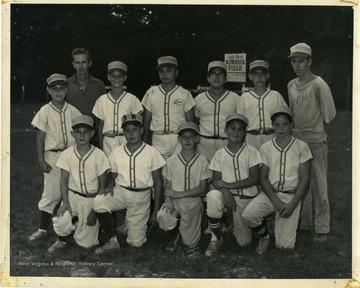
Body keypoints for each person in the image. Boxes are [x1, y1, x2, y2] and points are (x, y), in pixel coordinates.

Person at [242, 105, 313, 254]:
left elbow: (305, 178)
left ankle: (280, 225)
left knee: (284, 247)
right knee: (249, 215)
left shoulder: (302, 147)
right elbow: (262, 177)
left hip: (291, 197)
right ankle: (264, 236)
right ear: (272, 125)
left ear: (292, 125)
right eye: (277, 125)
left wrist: (293, 204)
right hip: (271, 194)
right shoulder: (266, 147)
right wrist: (276, 201)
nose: (281, 129)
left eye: (285, 124)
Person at [93, 114, 166, 253]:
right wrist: (109, 185)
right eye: (127, 130)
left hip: (141, 196)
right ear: (123, 133)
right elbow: (112, 175)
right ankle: (112, 240)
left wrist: (156, 210)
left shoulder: (152, 152)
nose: (131, 133)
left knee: (135, 243)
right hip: (121, 191)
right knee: (99, 202)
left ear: (142, 131)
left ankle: (129, 225)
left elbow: (158, 182)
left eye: (135, 129)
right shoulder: (117, 152)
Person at [287, 43, 336, 242]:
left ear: (309, 62)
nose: (297, 65)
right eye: (294, 61)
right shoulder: (291, 85)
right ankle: (304, 224)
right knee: (300, 185)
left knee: (319, 186)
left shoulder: (319, 84)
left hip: (315, 141)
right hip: (298, 142)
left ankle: (322, 228)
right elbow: (291, 114)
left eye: (301, 61)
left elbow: (330, 115)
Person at [29, 74, 82, 241]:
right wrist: (41, 160)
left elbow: (82, 133)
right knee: (51, 193)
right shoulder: (44, 111)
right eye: (54, 88)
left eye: (61, 88)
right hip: (52, 156)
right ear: (49, 90)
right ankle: (43, 229)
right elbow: (40, 137)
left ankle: (73, 224)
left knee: (74, 189)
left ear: (67, 90)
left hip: (71, 155)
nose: (58, 91)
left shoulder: (73, 111)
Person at [47, 115, 110, 253]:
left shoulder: (99, 155)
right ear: (72, 134)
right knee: (60, 221)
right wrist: (65, 202)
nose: (82, 135)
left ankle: (80, 222)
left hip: (91, 199)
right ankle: (61, 240)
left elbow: (102, 186)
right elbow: (63, 179)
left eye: (86, 132)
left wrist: (94, 212)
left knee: (87, 244)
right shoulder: (67, 154)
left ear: (92, 134)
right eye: (78, 132)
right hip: (73, 197)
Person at [204, 113, 262, 257]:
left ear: (244, 133)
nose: (236, 132)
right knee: (212, 196)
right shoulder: (219, 154)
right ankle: (217, 237)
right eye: (232, 128)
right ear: (226, 130)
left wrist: (229, 186)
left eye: (240, 129)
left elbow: (254, 178)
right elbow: (216, 180)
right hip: (227, 196)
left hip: (246, 198)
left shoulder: (251, 151)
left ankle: (234, 225)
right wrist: (226, 192)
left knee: (244, 242)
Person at [158, 122, 212, 257]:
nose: (187, 140)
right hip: (175, 202)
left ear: (197, 139)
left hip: (193, 202)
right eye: (184, 137)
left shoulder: (203, 161)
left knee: (190, 244)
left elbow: (202, 189)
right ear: (179, 140)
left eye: (191, 136)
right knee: (163, 215)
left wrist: (179, 193)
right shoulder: (171, 161)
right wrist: (167, 199)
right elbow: (168, 185)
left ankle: (189, 230)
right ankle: (175, 236)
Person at [142, 56, 195, 160]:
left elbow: (191, 122)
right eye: (161, 71)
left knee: (179, 169)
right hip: (158, 137)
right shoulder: (151, 92)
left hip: (179, 137)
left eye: (169, 70)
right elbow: (147, 121)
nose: (165, 74)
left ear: (176, 72)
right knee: (159, 171)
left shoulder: (184, 94)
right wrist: (145, 141)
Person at [92, 61, 143, 156]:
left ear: (125, 78)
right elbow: (100, 127)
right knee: (110, 169)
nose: (116, 79)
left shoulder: (132, 99)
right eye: (113, 75)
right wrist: (101, 149)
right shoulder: (102, 100)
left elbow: (137, 125)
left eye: (120, 76)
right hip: (108, 140)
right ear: (108, 77)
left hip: (126, 139)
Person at [194, 60, 242, 162]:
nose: (217, 77)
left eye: (220, 74)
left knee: (226, 175)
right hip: (204, 144)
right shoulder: (199, 98)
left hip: (227, 143)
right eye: (213, 74)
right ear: (208, 78)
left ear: (225, 79)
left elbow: (240, 124)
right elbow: (195, 122)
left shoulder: (235, 98)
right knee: (204, 175)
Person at [237, 60, 287, 150]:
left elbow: (286, 118)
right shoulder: (244, 97)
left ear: (267, 76)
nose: (259, 77)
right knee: (252, 163)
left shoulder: (275, 95)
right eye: (255, 74)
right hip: (251, 137)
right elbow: (240, 122)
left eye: (262, 73)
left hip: (271, 135)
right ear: (250, 76)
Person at [67, 48, 106, 147]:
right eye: (77, 62)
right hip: (72, 137)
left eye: (84, 62)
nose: (81, 66)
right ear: (73, 64)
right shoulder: (66, 85)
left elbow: (103, 115)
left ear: (90, 63)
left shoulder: (99, 85)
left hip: (93, 137)